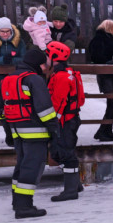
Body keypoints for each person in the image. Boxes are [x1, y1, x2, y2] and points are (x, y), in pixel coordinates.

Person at [0, 47, 59, 218]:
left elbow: (1, 109)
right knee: (32, 167)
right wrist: (54, 129)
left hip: (16, 130)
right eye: (44, 65)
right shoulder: (34, 80)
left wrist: (8, 132)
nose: (45, 68)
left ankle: (17, 201)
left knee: (22, 165)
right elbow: (45, 109)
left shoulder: (8, 79)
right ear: (38, 64)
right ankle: (24, 206)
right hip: (35, 131)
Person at [45, 41, 85, 202]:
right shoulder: (68, 73)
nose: (45, 58)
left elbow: (59, 101)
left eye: (47, 55)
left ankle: (70, 191)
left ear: (54, 57)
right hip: (69, 119)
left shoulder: (61, 76)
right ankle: (75, 184)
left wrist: (53, 121)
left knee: (65, 153)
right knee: (60, 151)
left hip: (65, 121)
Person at [88, 19, 113, 141]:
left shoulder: (111, 39)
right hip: (105, 75)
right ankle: (103, 131)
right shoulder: (99, 39)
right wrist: (109, 62)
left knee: (112, 104)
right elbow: (95, 56)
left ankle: (107, 131)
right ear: (110, 27)